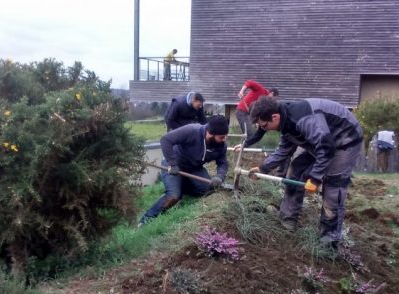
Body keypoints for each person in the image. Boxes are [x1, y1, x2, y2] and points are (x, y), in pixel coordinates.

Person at [246, 96, 363, 247]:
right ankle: (287, 218)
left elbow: (326, 147)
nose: (263, 129)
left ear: (274, 117)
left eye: (263, 125)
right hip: (321, 140)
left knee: (334, 187)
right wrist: (263, 168)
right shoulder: (285, 121)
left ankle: (329, 240)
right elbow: (284, 150)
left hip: (345, 139)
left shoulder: (303, 119)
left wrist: (315, 179)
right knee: (296, 169)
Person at [139, 115, 229, 225]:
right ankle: (145, 220)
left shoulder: (221, 145)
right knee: (173, 195)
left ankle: (181, 186)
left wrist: (220, 176)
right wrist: (172, 163)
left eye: (225, 136)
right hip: (174, 165)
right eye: (221, 137)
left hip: (194, 168)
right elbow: (165, 140)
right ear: (210, 134)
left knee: (207, 189)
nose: (224, 139)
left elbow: (223, 163)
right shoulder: (192, 131)